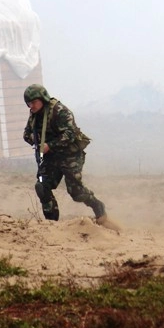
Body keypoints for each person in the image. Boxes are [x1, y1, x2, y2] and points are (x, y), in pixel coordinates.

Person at [22, 84, 112, 226]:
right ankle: (52, 224)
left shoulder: (59, 111)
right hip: (50, 158)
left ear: (42, 99)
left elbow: (71, 133)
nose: (30, 106)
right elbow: (26, 135)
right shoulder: (34, 115)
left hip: (70, 155)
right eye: (28, 103)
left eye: (33, 102)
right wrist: (36, 141)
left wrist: (49, 145)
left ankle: (97, 206)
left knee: (76, 193)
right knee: (41, 185)